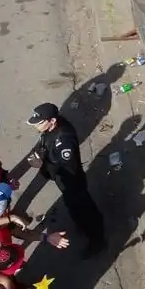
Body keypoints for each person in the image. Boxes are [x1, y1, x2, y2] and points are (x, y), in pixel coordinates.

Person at [27, 102, 107, 257]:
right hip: (63, 180)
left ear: (52, 121)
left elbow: (64, 165)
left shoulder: (64, 139)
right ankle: (83, 223)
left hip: (71, 180)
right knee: (74, 206)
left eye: (40, 122)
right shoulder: (52, 129)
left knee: (83, 207)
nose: (36, 126)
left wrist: (42, 165)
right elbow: (47, 145)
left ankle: (97, 239)